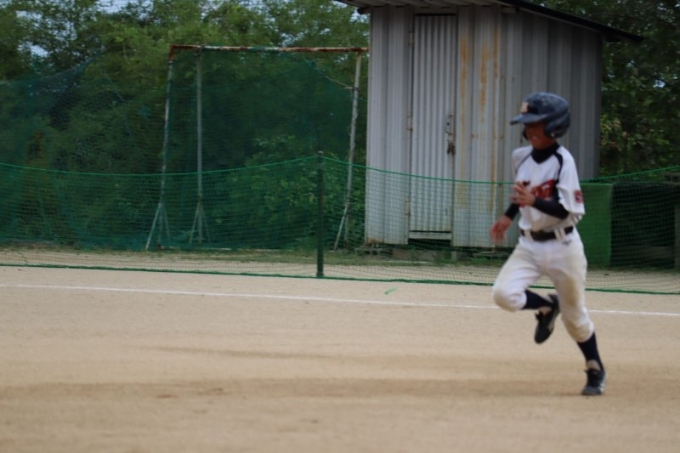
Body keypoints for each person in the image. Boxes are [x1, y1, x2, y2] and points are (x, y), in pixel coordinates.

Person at [490, 92, 606, 396]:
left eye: (537, 123)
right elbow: (523, 194)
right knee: (503, 294)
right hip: (529, 245)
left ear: (555, 126)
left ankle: (594, 367)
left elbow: (567, 210)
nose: (530, 130)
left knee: (575, 317)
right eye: (527, 124)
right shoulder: (521, 156)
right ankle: (545, 305)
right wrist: (508, 216)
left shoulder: (563, 161)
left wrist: (533, 201)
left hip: (563, 246)